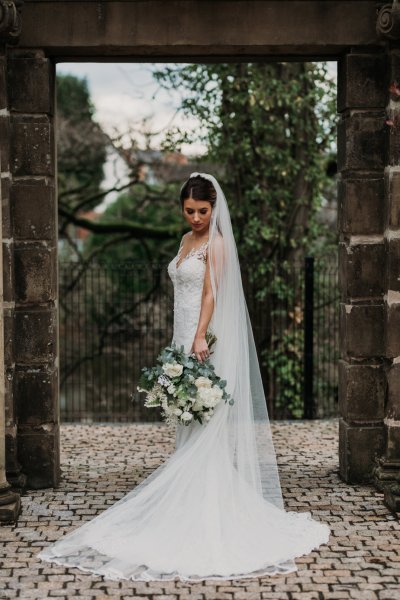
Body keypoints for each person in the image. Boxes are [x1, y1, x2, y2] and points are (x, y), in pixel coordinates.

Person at [37, 172, 330, 581]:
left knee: (203, 420)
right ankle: (188, 498)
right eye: (189, 211)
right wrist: (180, 338)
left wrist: (197, 337)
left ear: (214, 209)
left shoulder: (218, 243)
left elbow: (211, 292)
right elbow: (182, 287)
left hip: (203, 339)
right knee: (185, 421)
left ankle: (205, 506)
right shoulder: (185, 240)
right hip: (182, 337)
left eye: (203, 211)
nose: (195, 218)